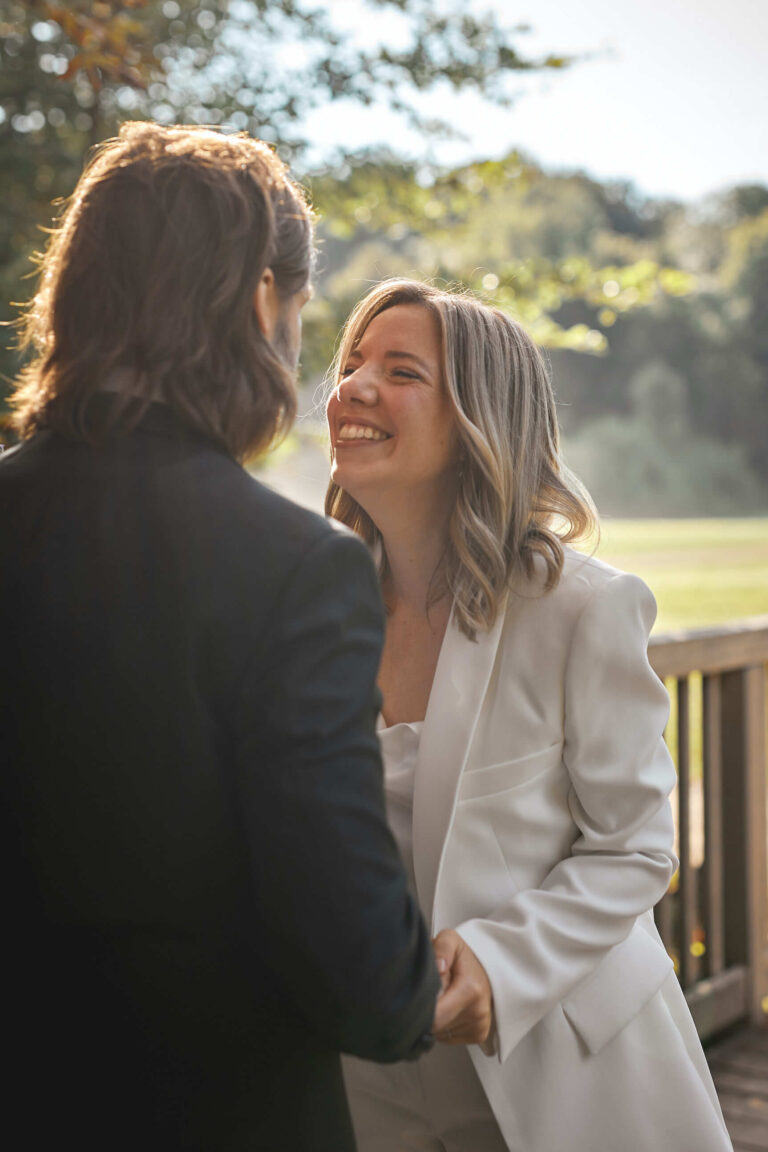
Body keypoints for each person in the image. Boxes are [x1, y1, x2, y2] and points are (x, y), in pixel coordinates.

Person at [0, 127, 440, 1152]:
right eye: (299, 308)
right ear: (258, 302)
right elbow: (364, 981)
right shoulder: (296, 571)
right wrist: (428, 991)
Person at [325, 279, 733, 1152]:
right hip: (368, 1086)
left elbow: (633, 848)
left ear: (481, 418)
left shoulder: (583, 609)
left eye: (400, 370)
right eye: (351, 363)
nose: (352, 387)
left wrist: (498, 968)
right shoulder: (317, 613)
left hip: (563, 1075)